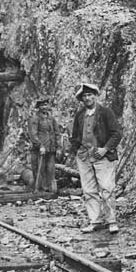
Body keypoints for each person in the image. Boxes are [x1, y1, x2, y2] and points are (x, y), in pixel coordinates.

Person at [69, 83, 122, 234]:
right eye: (84, 96)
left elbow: (117, 133)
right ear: (82, 99)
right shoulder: (80, 115)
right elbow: (74, 137)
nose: (87, 98)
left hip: (103, 156)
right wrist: (77, 150)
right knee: (89, 190)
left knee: (107, 188)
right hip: (84, 156)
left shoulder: (105, 112)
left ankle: (111, 221)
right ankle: (95, 220)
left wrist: (105, 149)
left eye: (90, 95)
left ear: (95, 96)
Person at [27, 98, 61, 192]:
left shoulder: (51, 118)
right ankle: (40, 188)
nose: (44, 107)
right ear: (38, 107)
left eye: (45, 105)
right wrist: (40, 146)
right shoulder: (34, 119)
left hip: (51, 148)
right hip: (39, 149)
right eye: (42, 105)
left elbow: (57, 133)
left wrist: (58, 147)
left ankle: (50, 188)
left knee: (50, 168)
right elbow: (33, 134)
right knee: (39, 168)